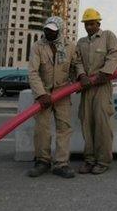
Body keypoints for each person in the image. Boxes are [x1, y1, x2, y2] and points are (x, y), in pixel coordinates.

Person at [27, 17, 84, 179]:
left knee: (64, 128)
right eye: (46, 29)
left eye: (52, 30)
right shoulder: (38, 46)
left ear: (59, 31)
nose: (48, 33)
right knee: (41, 129)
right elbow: (32, 72)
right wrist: (41, 94)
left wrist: (81, 75)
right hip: (43, 93)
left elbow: (77, 64)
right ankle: (42, 161)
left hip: (62, 92)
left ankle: (61, 163)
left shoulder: (70, 47)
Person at [75, 8, 117, 175]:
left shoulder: (108, 36)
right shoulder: (81, 42)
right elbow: (77, 61)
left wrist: (104, 73)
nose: (89, 27)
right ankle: (89, 160)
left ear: (98, 23)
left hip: (102, 86)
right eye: (86, 24)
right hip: (86, 87)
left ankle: (102, 161)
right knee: (86, 124)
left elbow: (114, 55)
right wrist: (81, 75)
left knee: (102, 124)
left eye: (92, 23)